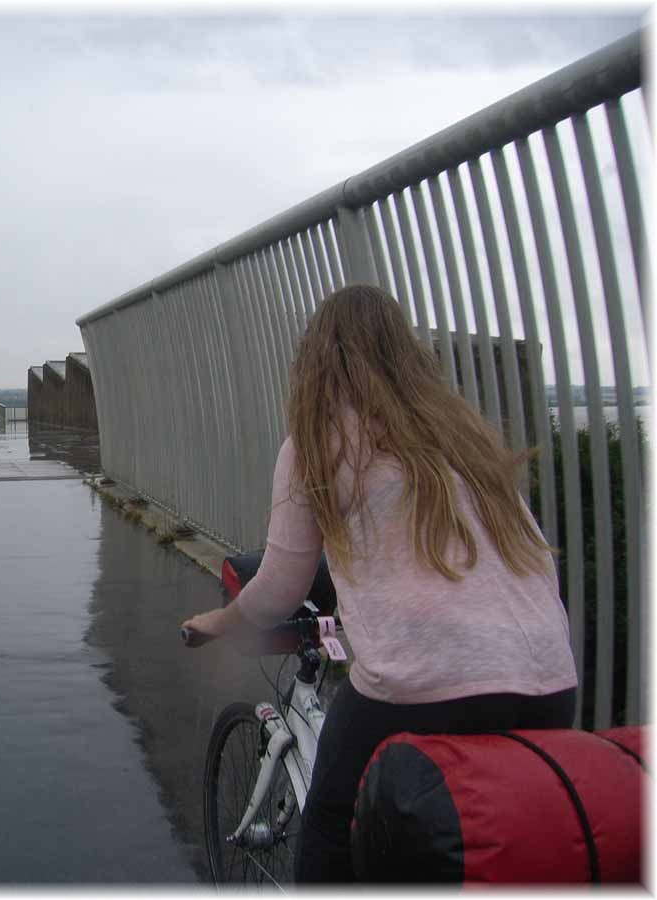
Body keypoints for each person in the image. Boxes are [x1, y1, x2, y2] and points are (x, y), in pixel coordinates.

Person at [181, 284, 578, 883]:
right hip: (549, 680)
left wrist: (218, 623)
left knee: (328, 838)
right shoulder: (464, 435)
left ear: (315, 361)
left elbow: (280, 591)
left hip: (426, 686)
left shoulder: (316, 443)